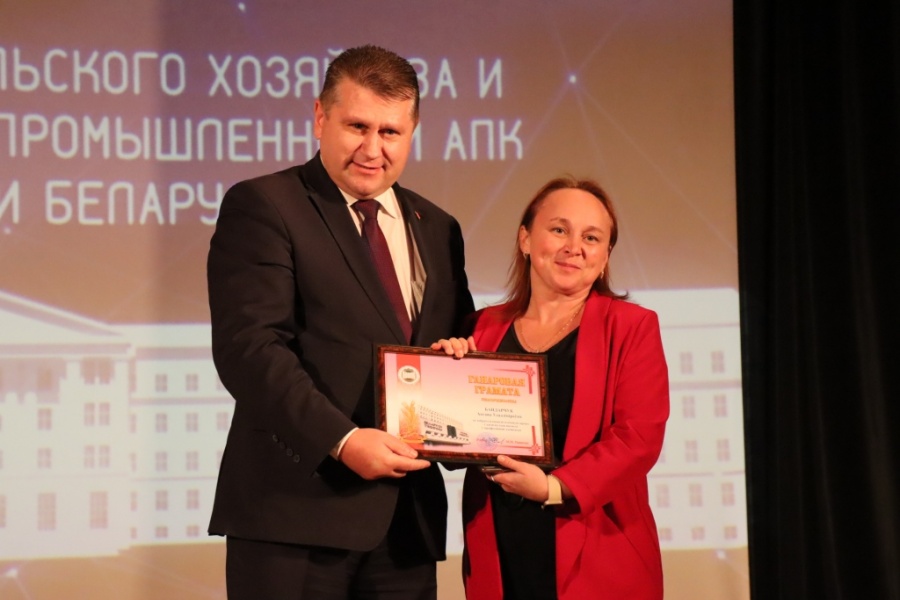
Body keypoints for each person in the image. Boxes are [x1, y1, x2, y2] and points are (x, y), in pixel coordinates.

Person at [207, 44, 474, 599]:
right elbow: (250, 348)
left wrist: (464, 360)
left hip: (406, 528)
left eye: (390, 131)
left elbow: (456, 342)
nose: (373, 149)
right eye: (357, 126)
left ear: (412, 131)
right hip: (295, 518)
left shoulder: (438, 227)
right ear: (320, 117)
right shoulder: (265, 205)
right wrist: (343, 440)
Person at [433, 177, 669, 599]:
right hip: (501, 542)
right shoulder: (481, 328)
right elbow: (455, 441)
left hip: (599, 547)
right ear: (525, 239)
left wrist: (554, 487)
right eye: (559, 229)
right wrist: (443, 376)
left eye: (591, 237)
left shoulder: (631, 326)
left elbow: (638, 438)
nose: (574, 247)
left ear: (605, 255)